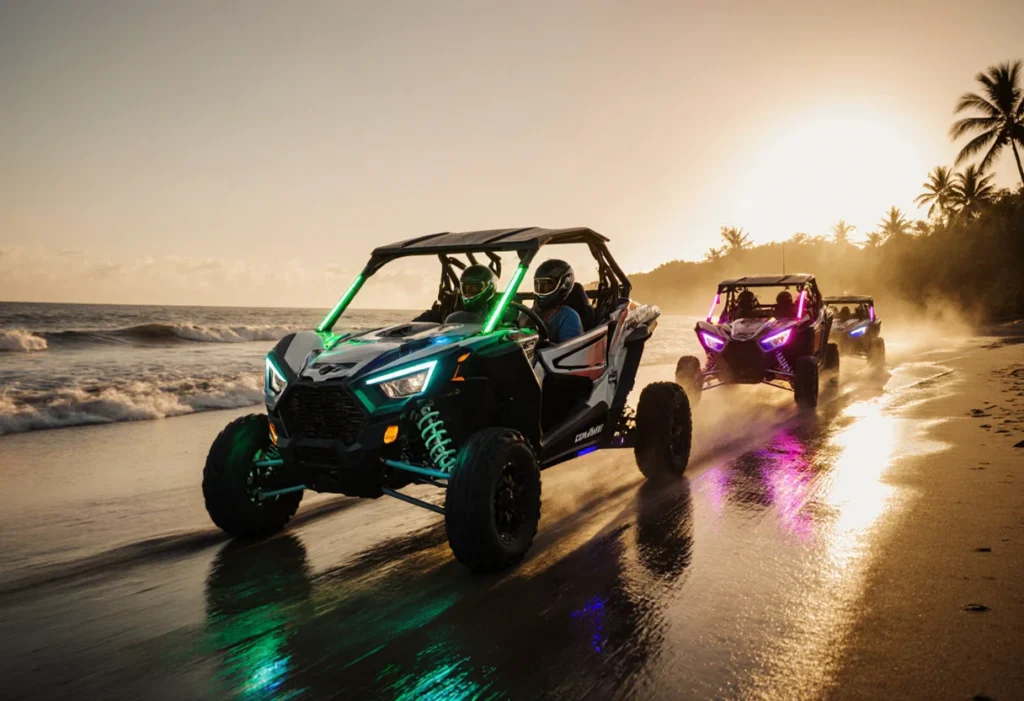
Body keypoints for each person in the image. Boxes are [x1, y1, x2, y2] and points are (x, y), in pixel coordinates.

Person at [532, 259, 583, 344]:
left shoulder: (569, 317)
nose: (541, 290)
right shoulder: (531, 313)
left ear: (564, 285)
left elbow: (568, 352)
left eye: (546, 285)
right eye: (538, 285)